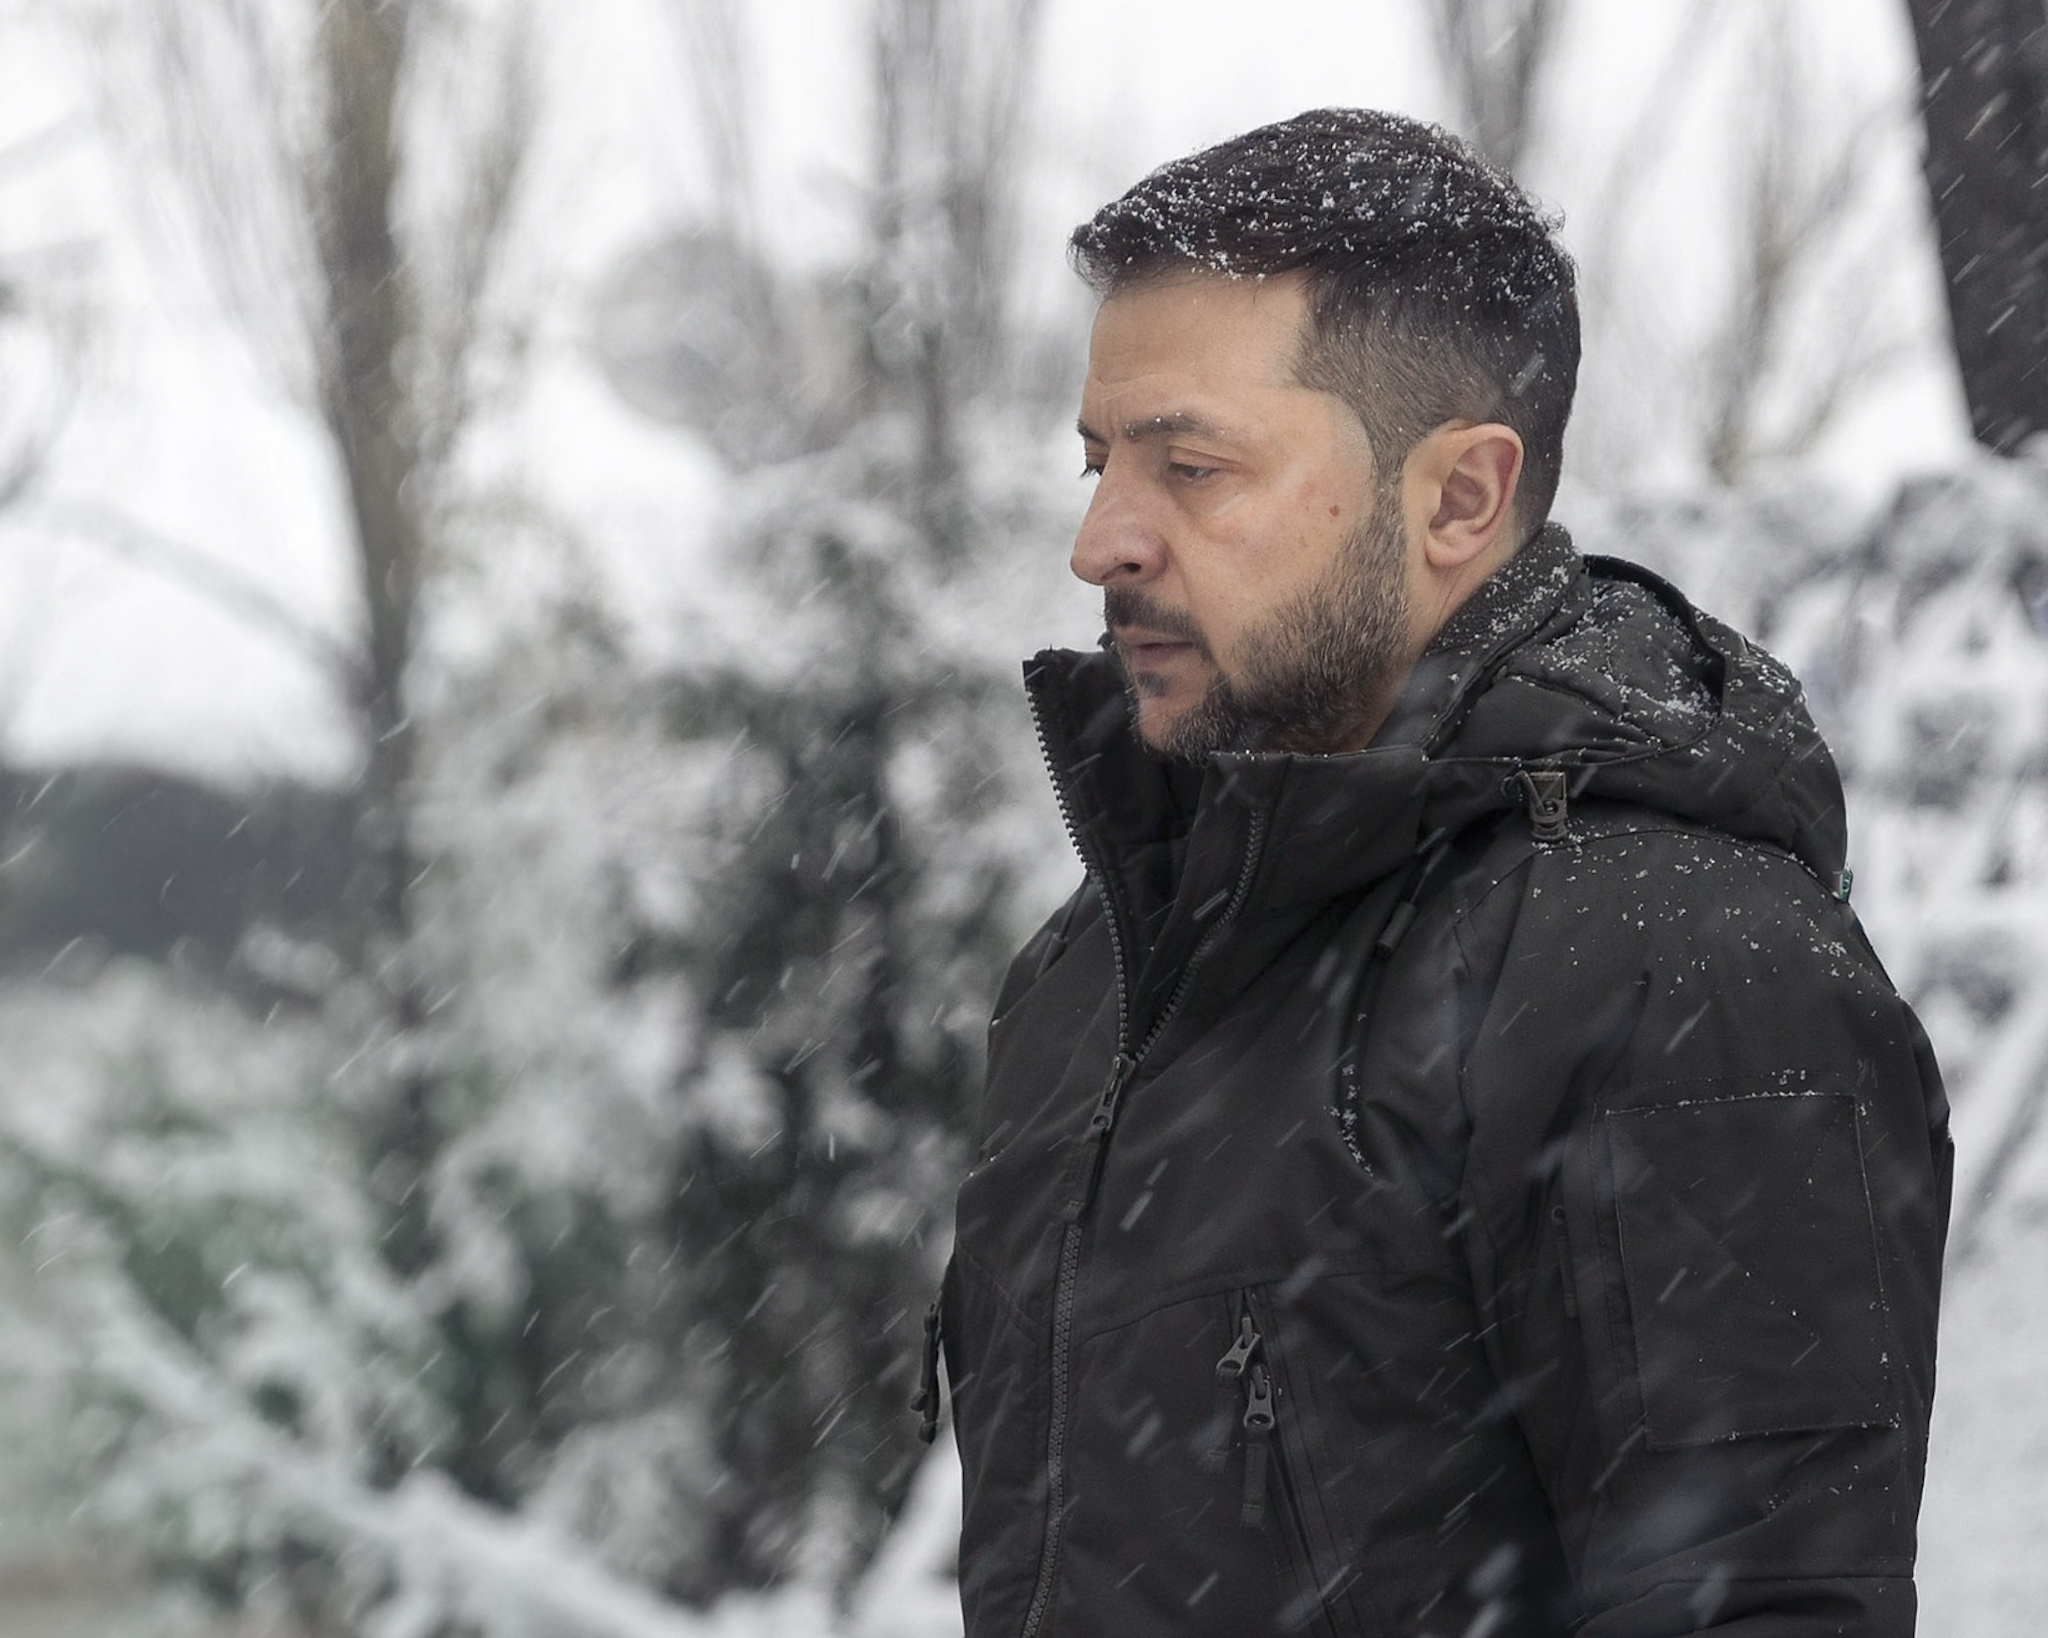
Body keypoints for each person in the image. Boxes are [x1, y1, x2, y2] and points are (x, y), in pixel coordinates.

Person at [917, 108, 1951, 1637]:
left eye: (1190, 467)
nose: (1100, 540)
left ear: (1460, 498)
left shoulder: (1684, 967)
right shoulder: (1108, 965)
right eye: (1097, 462)